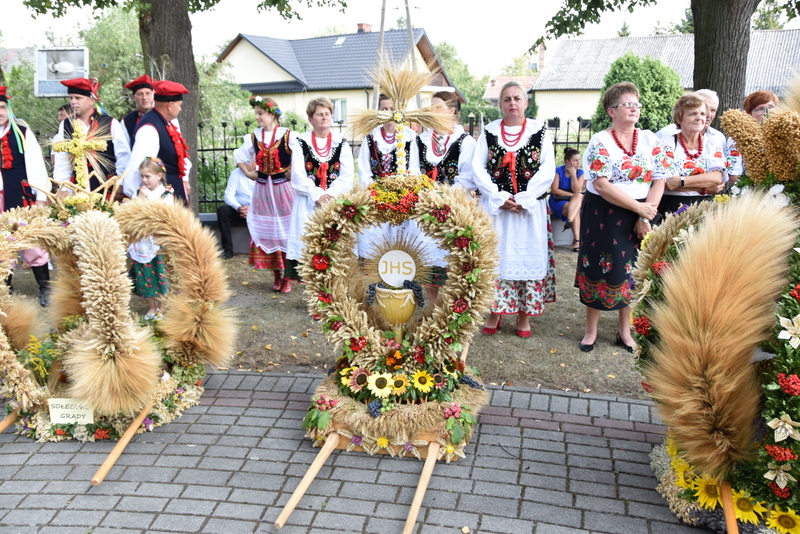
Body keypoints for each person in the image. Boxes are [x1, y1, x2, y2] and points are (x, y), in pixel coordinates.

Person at [576, 82, 668, 353]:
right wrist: (637, 209)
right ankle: (591, 331)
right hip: (605, 211)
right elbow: (602, 184)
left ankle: (624, 331)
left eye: (636, 105)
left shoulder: (650, 139)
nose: (634, 109)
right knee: (600, 268)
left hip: (642, 210)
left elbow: (659, 179)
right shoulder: (601, 141)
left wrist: (646, 214)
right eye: (628, 104)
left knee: (632, 270)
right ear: (611, 110)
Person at [471, 81, 556, 338]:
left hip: (529, 210)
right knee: (496, 257)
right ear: (500, 105)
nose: (512, 103)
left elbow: (547, 168)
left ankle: (523, 315)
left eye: (517, 98)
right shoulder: (488, 132)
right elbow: (478, 168)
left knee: (526, 256)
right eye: (506, 99)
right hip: (498, 210)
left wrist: (525, 198)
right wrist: (499, 196)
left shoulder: (539, 131)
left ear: (526, 103)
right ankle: (495, 311)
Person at [409, 91, 475, 304]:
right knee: (429, 258)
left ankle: (452, 304)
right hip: (426, 210)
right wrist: (429, 198)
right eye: (431, 107)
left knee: (453, 259)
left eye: (438, 107)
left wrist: (444, 198)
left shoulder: (465, 142)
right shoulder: (419, 141)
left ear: (452, 111)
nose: (432, 111)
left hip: (454, 209)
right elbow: (413, 173)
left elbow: (467, 177)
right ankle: (433, 304)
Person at [233, 96, 297, 292]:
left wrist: (291, 172)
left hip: (282, 190)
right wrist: (248, 173)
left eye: (260, 114)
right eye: (257, 114)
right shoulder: (254, 136)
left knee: (285, 232)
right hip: (262, 191)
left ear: (272, 114)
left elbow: (301, 159)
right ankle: (276, 274)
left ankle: (288, 277)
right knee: (268, 233)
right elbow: (240, 157)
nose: (257, 117)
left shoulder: (288, 135)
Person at [286, 97, 354, 279]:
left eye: (327, 114)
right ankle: (313, 294)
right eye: (319, 114)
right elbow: (298, 175)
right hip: (307, 203)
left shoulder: (341, 142)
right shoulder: (301, 142)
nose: (324, 117)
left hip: (333, 204)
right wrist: (316, 195)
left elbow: (347, 176)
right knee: (309, 247)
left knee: (332, 247)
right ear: (310, 119)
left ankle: (332, 293)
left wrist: (330, 195)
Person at [0, 87, 51, 306]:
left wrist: (40, 196)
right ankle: (5, 290)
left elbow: (36, 165)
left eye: (2, 107)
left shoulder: (21, 132)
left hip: (19, 196)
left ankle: (45, 288)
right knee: (1, 245)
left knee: (31, 241)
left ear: (8, 109)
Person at [356, 93, 416, 259]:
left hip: (402, 201)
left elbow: (415, 170)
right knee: (376, 245)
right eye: (384, 109)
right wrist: (379, 193)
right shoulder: (370, 139)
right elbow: (364, 172)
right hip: (377, 200)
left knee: (401, 245)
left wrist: (400, 194)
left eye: (392, 109)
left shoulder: (410, 138)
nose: (389, 113)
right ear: (378, 112)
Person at [53, 77, 131, 191]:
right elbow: (62, 159)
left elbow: (123, 156)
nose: (73, 102)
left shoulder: (110, 123)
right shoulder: (66, 125)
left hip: (106, 186)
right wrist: (63, 188)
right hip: (76, 187)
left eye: (78, 98)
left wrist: (120, 182)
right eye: (71, 98)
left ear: (91, 100)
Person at [124, 80, 192, 203]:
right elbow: (137, 167)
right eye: (179, 105)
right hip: (158, 201)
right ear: (170, 105)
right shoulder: (149, 128)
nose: (180, 109)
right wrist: (138, 199)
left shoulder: (165, 122)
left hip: (170, 194)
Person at [656, 94, 726, 214]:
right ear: (679, 118)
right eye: (693, 114)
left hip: (705, 206)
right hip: (672, 205)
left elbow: (717, 178)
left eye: (702, 114)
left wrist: (681, 181)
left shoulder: (712, 142)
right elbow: (668, 182)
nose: (699, 118)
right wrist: (705, 189)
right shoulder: (667, 141)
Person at [128, 157, 173, 320]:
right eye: (142, 176)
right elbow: (131, 213)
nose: (144, 180)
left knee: (161, 274)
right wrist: (140, 197)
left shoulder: (167, 194)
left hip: (158, 242)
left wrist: (148, 199)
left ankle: (163, 306)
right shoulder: (138, 193)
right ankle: (152, 306)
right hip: (142, 241)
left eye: (148, 176)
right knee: (145, 274)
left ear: (159, 176)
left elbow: (163, 216)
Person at [727, 90, 780, 183]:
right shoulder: (738, 137)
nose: (766, 112)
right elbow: (733, 174)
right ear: (749, 113)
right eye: (760, 109)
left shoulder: (782, 135)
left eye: (771, 107)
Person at [548, 147, 584, 252]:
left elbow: (576, 190)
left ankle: (570, 221)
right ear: (567, 161)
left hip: (572, 202)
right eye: (575, 160)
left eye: (579, 160)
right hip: (558, 201)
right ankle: (577, 240)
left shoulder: (580, 173)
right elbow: (554, 190)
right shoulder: (558, 171)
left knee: (578, 198)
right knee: (576, 206)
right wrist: (572, 195)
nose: (578, 163)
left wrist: (573, 175)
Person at [216, 167, 254, 261]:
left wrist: (252, 208)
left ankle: (261, 250)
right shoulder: (236, 173)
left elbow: (266, 196)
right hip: (239, 210)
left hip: (257, 209)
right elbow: (228, 195)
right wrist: (239, 208)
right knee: (222, 210)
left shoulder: (262, 172)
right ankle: (228, 250)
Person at [121, 75, 154, 147]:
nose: (144, 98)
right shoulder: (127, 121)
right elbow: (124, 149)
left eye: (148, 93)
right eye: (140, 94)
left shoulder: (164, 117)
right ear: (133, 97)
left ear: (153, 95)